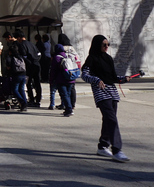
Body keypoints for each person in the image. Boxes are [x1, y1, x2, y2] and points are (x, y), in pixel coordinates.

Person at [82, 34, 132, 162]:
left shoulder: (108, 58)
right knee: (112, 120)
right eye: (104, 45)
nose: (106, 47)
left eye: (108, 44)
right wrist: (96, 79)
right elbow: (84, 75)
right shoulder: (92, 58)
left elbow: (113, 77)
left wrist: (123, 79)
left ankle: (103, 146)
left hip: (112, 93)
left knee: (108, 120)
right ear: (97, 45)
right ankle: (117, 150)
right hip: (101, 92)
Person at [14, 30, 42, 107]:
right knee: (37, 83)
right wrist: (36, 60)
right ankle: (38, 99)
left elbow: (23, 56)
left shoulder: (21, 45)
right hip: (37, 64)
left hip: (29, 67)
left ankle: (31, 99)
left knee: (29, 83)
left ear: (19, 38)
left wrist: (29, 62)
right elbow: (39, 53)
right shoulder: (32, 44)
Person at [50, 43, 75, 116]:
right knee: (68, 94)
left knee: (64, 95)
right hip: (71, 78)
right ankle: (69, 108)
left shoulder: (56, 58)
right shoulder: (68, 55)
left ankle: (69, 110)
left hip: (61, 79)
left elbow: (53, 71)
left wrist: (51, 80)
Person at [58, 33, 79, 110]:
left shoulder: (62, 48)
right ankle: (73, 103)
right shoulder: (72, 48)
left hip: (65, 70)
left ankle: (64, 104)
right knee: (72, 88)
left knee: (64, 89)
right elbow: (77, 59)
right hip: (74, 69)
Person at [6, 40, 28, 112]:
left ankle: (22, 102)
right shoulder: (20, 56)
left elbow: (8, 67)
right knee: (21, 90)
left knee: (15, 90)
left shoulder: (11, 57)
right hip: (23, 74)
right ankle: (24, 104)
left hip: (16, 75)